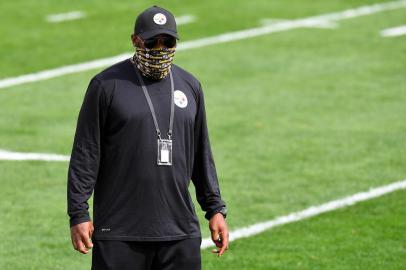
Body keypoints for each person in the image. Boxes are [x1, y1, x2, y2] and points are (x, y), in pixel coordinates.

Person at [67, 5, 229, 270]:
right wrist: (78, 213)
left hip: (180, 232)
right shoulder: (106, 86)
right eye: (152, 41)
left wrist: (215, 209)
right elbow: (86, 153)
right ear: (135, 40)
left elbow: (201, 153)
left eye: (168, 41)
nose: (160, 48)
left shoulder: (190, 86)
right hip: (119, 232)